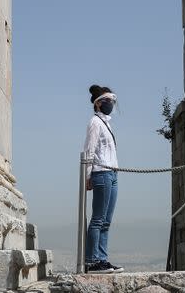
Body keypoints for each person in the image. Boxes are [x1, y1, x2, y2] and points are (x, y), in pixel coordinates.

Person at [83, 84, 124, 274]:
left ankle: (102, 259)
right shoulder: (95, 122)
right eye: (107, 101)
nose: (111, 104)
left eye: (112, 101)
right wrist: (88, 175)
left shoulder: (107, 123)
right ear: (98, 104)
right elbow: (89, 150)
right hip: (101, 173)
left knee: (107, 221)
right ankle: (92, 261)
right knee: (98, 219)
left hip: (113, 174)